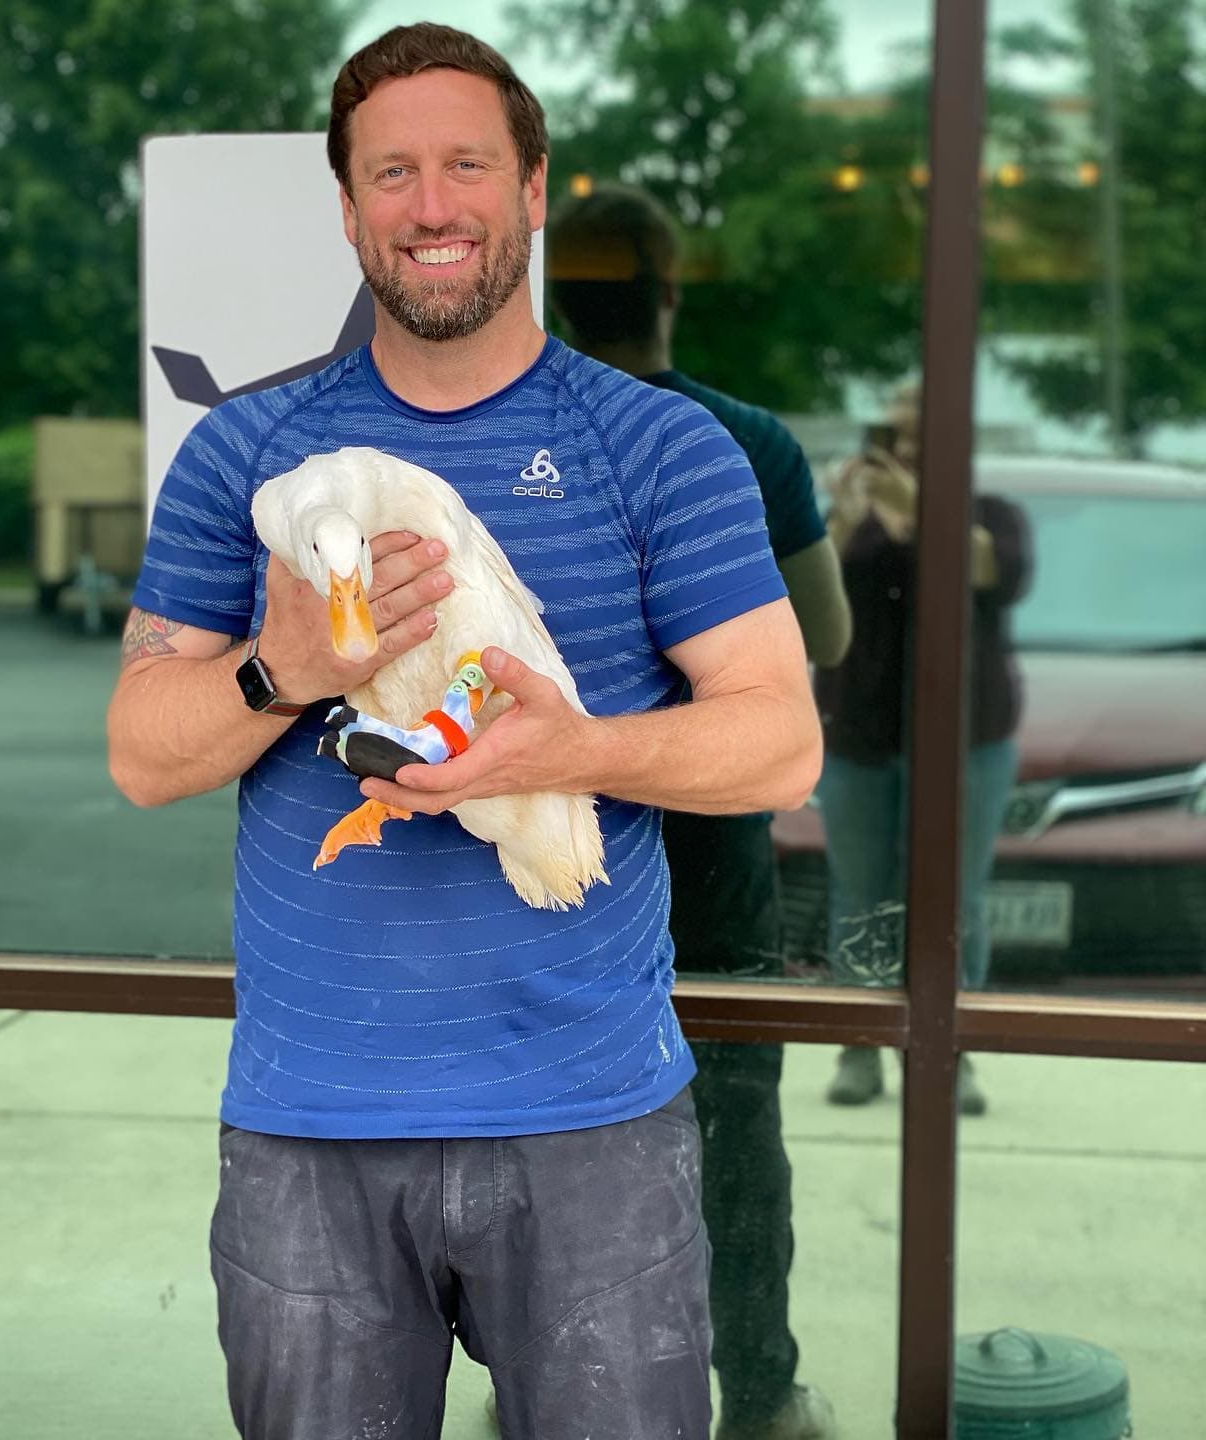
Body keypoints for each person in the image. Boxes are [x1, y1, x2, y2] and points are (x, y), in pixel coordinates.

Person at [107, 24, 820, 1440]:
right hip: (309, 1123)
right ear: (350, 206)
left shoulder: (661, 448)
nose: (431, 207)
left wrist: (572, 751)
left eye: (467, 166)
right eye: (392, 174)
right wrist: (284, 666)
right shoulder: (244, 455)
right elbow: (141, 754)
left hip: (592, 1120)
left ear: (536, 188)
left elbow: (783, 744)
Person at [548, 181, 848, 1440]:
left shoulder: (520, 433)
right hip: (714, 846)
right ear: (671, 294)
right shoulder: (746, 441)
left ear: (554, 294)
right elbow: (826, 631)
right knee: (730, 1131)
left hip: (554, 847)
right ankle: (761, 1398)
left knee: (555, 1140)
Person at [814, 385, 1033, 1113]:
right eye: (895, 437)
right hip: (863, 739)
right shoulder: (861, 520)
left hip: (963, 742)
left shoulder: (988, 515)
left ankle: (952, 1051)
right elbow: (816, 609)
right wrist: (845, 525)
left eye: (921, 438)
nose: (905, 452)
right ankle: (863, 1047)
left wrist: (924, 507)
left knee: (952, 896)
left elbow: (994, 571)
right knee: (861, 894)